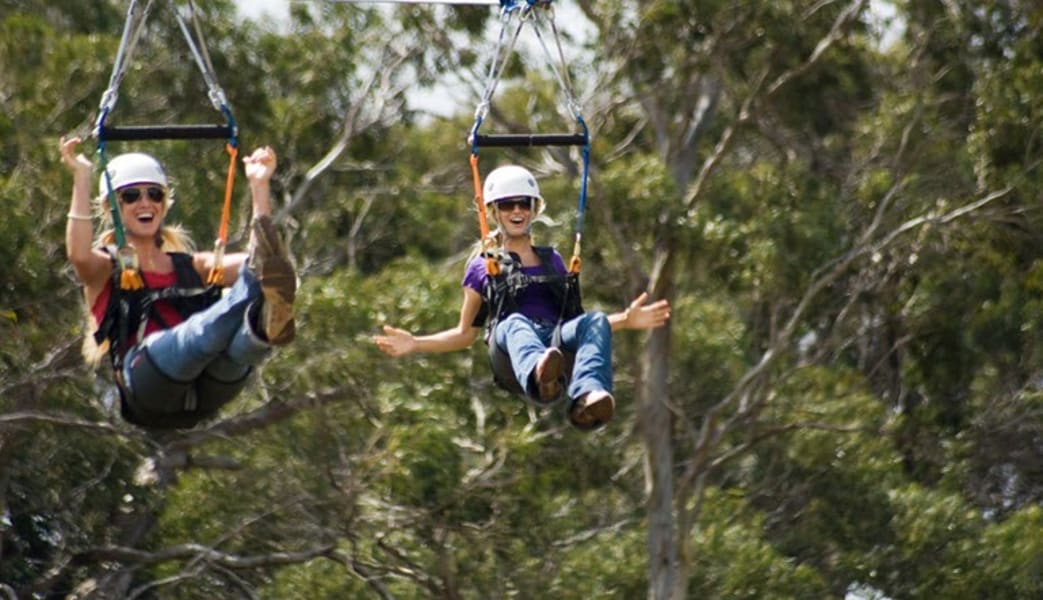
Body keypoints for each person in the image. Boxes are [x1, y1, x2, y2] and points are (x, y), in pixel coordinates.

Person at [374, 165, 671, 430]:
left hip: (553, 341)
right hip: (510, 350)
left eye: (523, 204)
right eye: (507, 205)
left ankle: (587, 397)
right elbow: (465, 334)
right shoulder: (483, 266)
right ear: (494, 212)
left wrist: (625, 320)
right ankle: (539, 376)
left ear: (534, 209)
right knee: (516, 321)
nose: (516, 211)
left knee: (594, 320)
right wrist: (416, 344)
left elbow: (575, 325)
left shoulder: (551, 259)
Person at [60, 137, 296, 429]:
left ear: (163, 203)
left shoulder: (191, 266)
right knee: (197, 334)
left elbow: (261, 262)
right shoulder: (106, 267)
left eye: (154, 195)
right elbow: (78, 254)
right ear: (112, 208)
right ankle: (260, 329)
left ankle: (263, 328)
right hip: (147, 381)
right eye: (131, 195)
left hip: (205, 389)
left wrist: (260, 187)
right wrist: (82, 177)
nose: (145, 202)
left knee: (256, 285)